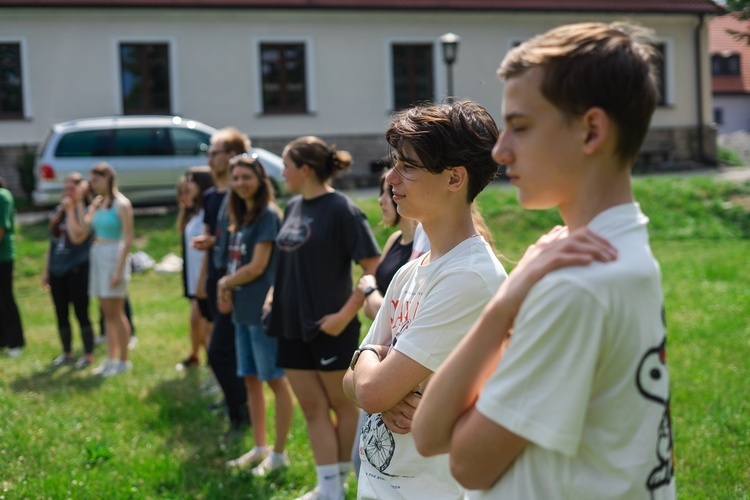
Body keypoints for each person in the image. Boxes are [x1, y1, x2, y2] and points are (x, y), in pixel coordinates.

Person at [412, 22, 675, 500]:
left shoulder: (575, 284)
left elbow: (456, 456)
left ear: (592, 130)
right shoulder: (626, 246)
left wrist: (505, 305)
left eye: (522, 126)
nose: (500, 149)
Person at [342, 100, 507, 499]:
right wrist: (371, 372)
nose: (392, 178)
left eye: (408, 166)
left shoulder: (468, 276)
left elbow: (369, 392)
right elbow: (353, 385)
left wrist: (372, 364)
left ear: (454, 179)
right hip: (381, 484)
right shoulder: (410, 272)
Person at [266, 136, 380, 500]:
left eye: (285, 165)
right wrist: (272, 298)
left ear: (305, 169)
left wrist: (344, 316)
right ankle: (327, 488)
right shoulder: (293, 205)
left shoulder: (343, 210)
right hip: (290, 325)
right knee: (312, 407)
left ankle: (343, 481)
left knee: (340, 406)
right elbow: (284, 263)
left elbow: (372, 270)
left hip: (331, 327)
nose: (281, 172)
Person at [221, 154, 295, 476]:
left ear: (261, 180)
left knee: (275, 381)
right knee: (251, 379)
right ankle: (259, 447)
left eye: (245, 177)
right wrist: (228, 289)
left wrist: (225, 283)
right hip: (242, 311)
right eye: (235, 178)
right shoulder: (243, 215)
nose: (240, 183)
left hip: (262, 312)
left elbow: (258, 266)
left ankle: (280, 454)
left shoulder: (267, 214)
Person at [192, 127, 250, 438]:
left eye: (213, 152)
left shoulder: (243, 194)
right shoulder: (216, 195)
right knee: (222, 349)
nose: (209, 158)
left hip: (237, 282)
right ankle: (237, 412)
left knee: (223, 351)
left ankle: (242, 416)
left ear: (230, 156)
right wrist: (205, 278)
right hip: (220, 279)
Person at [68, 162, 134, 377]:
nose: (93, 184)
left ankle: (123, 361)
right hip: (98, 255)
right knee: (107, 313)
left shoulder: (122, 204)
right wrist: (79, 202)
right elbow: (84, 227)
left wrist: (118, 269)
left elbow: (128, 238)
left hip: (113, 256)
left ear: (108, 178)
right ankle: (111, 358)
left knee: (117, 312)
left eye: (96, 180)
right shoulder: (97, 202)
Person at [43, 173, 95, 368]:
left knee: (81, 312)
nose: (67, 193)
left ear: (81, 191)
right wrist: (47, 271)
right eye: (65, 189)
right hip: (57, 270)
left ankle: (88, 354)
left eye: (72, 189)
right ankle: (67, 353)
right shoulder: (59, 211)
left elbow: (77, 237)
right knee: (61, 313)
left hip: (77, 269)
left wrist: (72, 209)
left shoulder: (86, 211)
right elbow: (52, 244)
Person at [356, 168, 419, 321]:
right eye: (381, 192)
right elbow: (368, 309)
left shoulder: (423, 248)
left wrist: (370, 291)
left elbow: (398, 320)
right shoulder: (394, 239)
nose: (380, 200)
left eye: (389, 192)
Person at [176, 166, 214, 370]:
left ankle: (212, 366)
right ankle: (196, 356)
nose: (186, 183)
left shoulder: (209, 211)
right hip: (193, 277)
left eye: (191, 180)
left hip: (205, 276)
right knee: (196, 320)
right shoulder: (195, 212)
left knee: (205, 323)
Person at [0, 176, 24, 357]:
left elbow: (1, 229)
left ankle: (15, 341)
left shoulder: (3, 196)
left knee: (5, 298)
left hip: (3, 257)